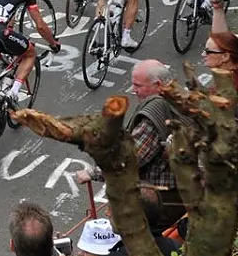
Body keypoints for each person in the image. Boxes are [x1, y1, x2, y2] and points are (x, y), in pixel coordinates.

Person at [75, 60, 193, 229]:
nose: (134, 90)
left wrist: (93, 173)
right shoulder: (181, 97)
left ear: (158, 84)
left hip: (163, 198)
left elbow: (129, 158)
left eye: (138, 85)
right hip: (186, 188)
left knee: (132, 233)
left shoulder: (155, 111)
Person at [201, 31, 238, 105]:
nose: (203, 54)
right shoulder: (237, 76)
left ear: (225, 57)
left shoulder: (228, 89)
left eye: (208, 51)